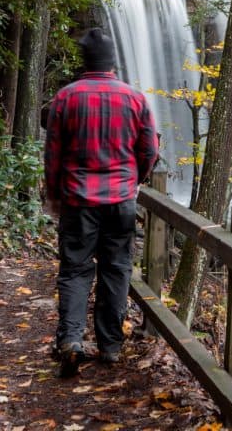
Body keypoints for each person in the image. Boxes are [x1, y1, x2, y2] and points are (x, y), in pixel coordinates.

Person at [45, 28, 159, 378]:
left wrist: (53, 196)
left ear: (84, 62)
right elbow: (150, 149)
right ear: (112, 62)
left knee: (76, 270)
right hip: (121, 200)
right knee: (116, 268)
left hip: (78, 201)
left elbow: (53, 155)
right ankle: (110, 347)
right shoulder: (134, 98)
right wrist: (133, 180)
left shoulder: (65, 98)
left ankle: (71, 341)